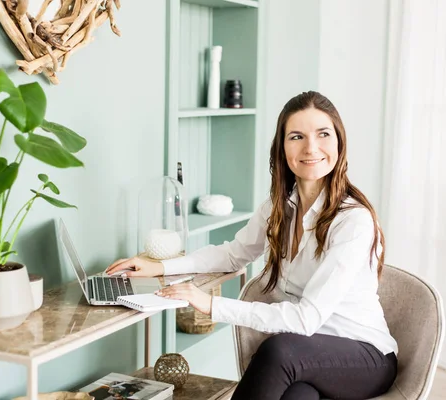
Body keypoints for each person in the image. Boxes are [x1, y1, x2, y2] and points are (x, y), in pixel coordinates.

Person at [106, 91, 398, 400]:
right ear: (282, 149)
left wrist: (211, 304)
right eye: (297, 136)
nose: (311, 147)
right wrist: (161, 266)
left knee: (279, 350)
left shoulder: (352, 221)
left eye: (323, 134)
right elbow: (233, 255)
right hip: (309, 355)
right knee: (297, 396)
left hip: (364, 357)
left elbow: (306, 318)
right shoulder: (279, 206)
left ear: (339, 141)